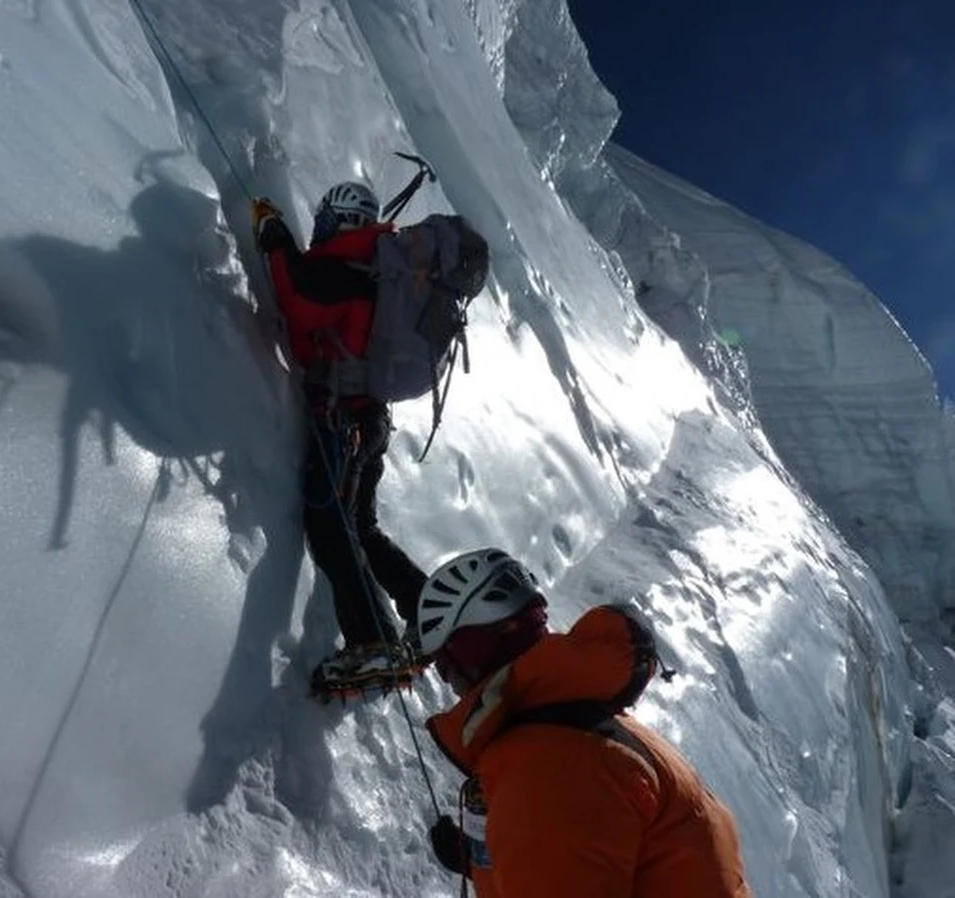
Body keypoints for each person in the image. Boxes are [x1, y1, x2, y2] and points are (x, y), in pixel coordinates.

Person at [419, 548, 752, 898]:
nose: (450, 684)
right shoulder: (585, 726)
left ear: (474, 655)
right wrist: (486, 862)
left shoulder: (546, 766)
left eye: (445, 666)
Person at [251, 183, 429, 689]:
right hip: (370, 422)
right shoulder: (377, 268)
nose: (320, 226)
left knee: (328, 521)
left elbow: (297, 300)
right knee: (361, 527)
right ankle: (427, 608)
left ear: (339, 220)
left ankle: (373, 639)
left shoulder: (342, 268)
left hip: (341, 421)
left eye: (326, 218)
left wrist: (274, 237)